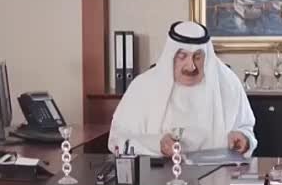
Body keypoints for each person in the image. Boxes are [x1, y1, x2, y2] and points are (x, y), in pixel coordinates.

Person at [108, 20, 257, 157]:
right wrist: (157, 144)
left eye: (197, 57)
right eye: (182, 56)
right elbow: (117, 140)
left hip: (218, 173)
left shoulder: (229, 84)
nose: (191, 66)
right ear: (171, 56)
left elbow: (246, 129)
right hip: (158, 174)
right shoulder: (142, 87)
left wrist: (244, 139)